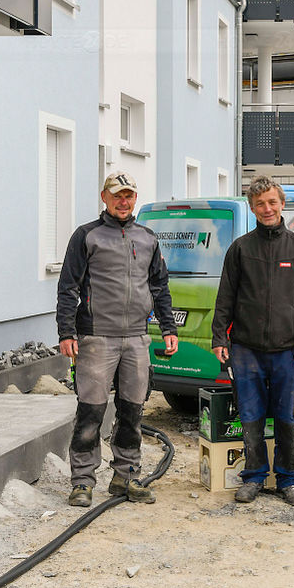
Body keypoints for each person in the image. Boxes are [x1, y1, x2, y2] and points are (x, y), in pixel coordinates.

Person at [57, 172, 178, 507]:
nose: (123, 202)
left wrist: (169, 328)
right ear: (104, 197)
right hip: (97, 338)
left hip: (137, 338)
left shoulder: (148, 238)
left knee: (132, 411)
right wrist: (66, 332)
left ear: (135, 199)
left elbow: (159, 288)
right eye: (117, 196)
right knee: (91, 412)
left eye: (129, 196)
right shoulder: (87, 237)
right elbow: (68, 288)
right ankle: (82, 481)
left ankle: (126, 476)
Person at [211, 176, 294, 507]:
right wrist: (219, 337)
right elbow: (225, 297)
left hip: (288, 350)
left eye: (272, 202)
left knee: (287, 417)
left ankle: (289, 480)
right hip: (246, 349)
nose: (267, 208)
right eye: (260, 204)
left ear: (282, 204)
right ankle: (254, 477)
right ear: (252, 208)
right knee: (251, 416)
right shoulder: (241, 249)